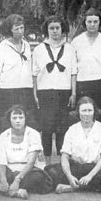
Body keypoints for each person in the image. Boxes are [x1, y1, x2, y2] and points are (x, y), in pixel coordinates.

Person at [0, 105, 53, 199]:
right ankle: (16, 192)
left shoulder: (33, 134)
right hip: (8, 171)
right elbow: (1, 160)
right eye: (14, 118)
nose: (18, 120)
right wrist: (3, 179)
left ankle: (1, 190)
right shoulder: (4, 135)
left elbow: (31, 162)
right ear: (9, 119)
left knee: (40, 177)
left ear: (26, 119)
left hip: (28, 172)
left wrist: (17, 180)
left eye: (21, 117)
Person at [44, 96, 101, 194]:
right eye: (84, 110)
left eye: (90, 110)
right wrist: (69, 176)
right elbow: (64, 156)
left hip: (94, 168)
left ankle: (71, 187)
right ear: (78, 112)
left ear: (94, 112)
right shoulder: (72, 129)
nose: (87, 114)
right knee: (50, 171)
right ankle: (78, 184)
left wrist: (89, 176)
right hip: (76, 167)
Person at [32, 15, 77, 164]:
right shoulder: (39, 49)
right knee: (47, 128)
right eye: (51, 28)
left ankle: (60, 163)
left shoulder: (70, 49)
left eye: (57, 28)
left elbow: (73, 73)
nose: (55, 31)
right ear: (47, 30)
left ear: (62, 29)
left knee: (61, 127)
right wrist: (35, 94)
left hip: (64, 92)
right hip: (45, 92)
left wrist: (73, 93)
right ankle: (47, 163)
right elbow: (34, 74)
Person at [0, 14, 38, 135]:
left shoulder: (26, 45)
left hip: (26, 92)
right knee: (7, 130)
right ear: (10, 30)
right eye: (16, 28)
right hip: (8, 93)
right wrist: (0, 94)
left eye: (22, 28)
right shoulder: (3, 47)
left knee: (27, 129)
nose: (20, 31)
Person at [71, 8, 101, 127]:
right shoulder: (77, 41)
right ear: (85, 23)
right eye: (89, 22)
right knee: (83, 115)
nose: (92, 24)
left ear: (100, 23)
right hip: (82, 83)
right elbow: (73, 65)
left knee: (99, 116)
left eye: (95, 21)